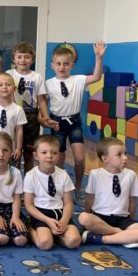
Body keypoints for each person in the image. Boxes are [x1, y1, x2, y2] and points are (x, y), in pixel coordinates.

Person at [44, 41, 106, 201]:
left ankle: (78, 187)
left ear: (72, 65)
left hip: (74, 122)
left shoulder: (78, 80)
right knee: (59, 158)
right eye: (58, 64)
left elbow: (97, 77)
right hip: (57, 123)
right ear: (52, 65)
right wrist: (45, 118)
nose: (62, 67)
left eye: (66, 64)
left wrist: (98, 58)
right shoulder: (48, 84)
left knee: (79, 158)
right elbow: (43, 103)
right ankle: (59, 187)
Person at [79, 137, 138, 248]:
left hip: (123, 220)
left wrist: (131, 221)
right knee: (83, 217)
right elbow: (90, 199)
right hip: (100, 218)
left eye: (125, 153)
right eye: (119, 155)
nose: (125, 158)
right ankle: (123, 236)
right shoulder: (95, 174)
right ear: (105, 158)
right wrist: (87, 219)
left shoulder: (131, 175)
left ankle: (102, 238)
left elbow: (132, 202)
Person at [24, 135, 81, 251]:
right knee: (45, 244)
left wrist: (64, 220)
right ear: (36, 156)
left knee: (74, 241)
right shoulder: (30, 176)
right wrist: (47, 220)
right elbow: (29, 205)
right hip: (41, 214)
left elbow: (68, 203)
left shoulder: (63, 175)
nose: (49, 156)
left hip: (60, 213)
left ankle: (56, 235)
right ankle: (29, 228)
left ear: (59, 156)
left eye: (54, 153)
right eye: (44, 152)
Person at [6, 42, 48, 173]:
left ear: (32, 59)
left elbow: (41, 99)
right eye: (19, 57)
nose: (23, 60)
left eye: (27, 57)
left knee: (30, 151)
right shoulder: (9, 74)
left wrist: (45, 116)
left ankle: (29, 178)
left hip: (32, 116)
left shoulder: (37, 77)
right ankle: (15, 178)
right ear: (14, 59)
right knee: (15, 150)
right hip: (14, 113)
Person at [0, 73, 27, 162]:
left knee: (11, 167)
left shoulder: (18, 109)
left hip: (10, 147)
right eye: (0, 85)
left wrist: (18, 148)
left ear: (14, 89)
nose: (4, 87)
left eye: (8, 84)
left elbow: (19, 130)